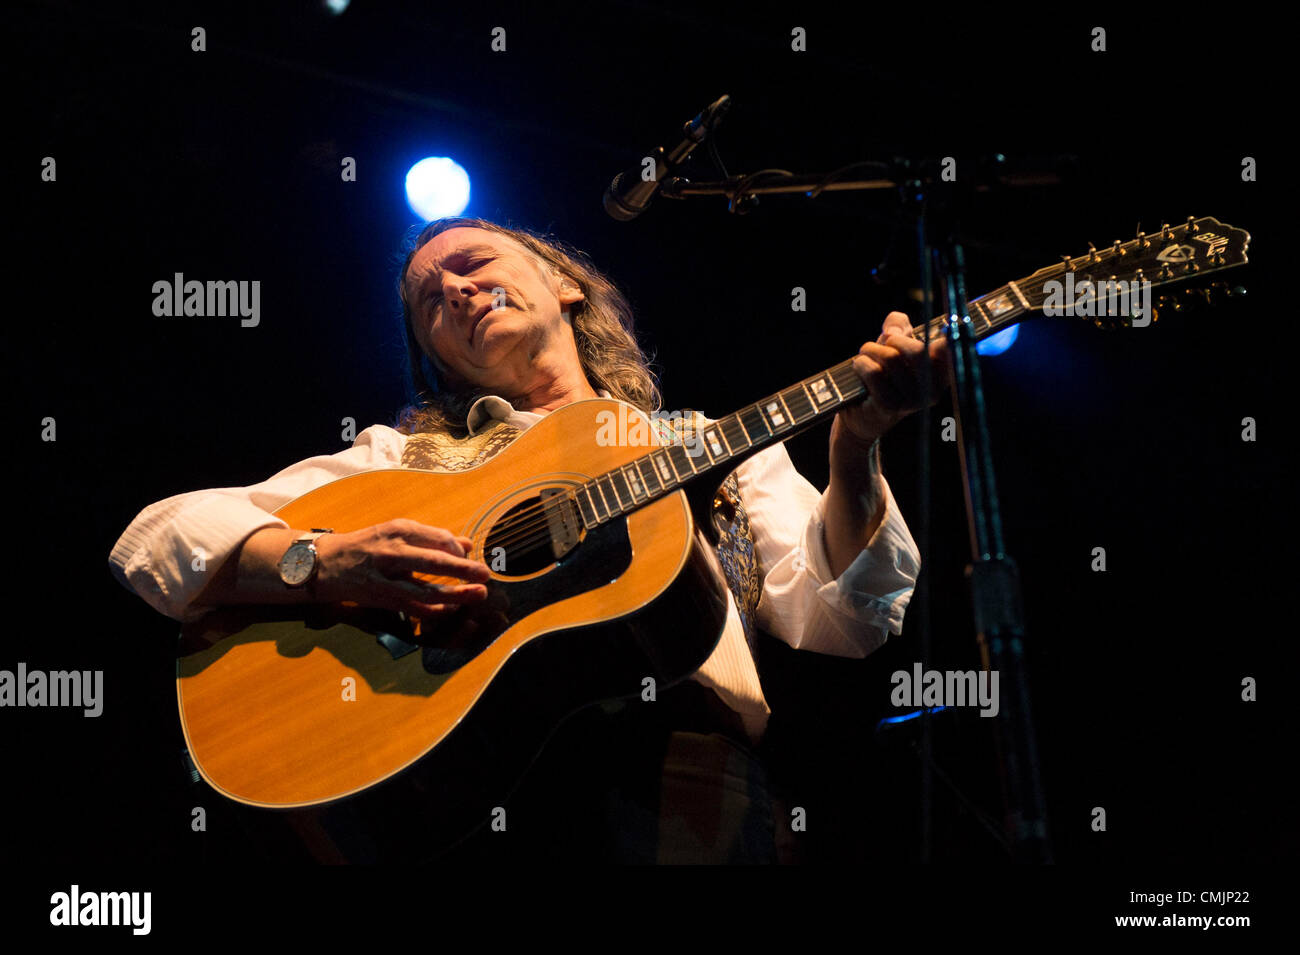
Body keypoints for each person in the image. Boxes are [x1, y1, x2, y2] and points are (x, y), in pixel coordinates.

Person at [109, 216, 949, 864]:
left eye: (473, 266)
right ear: (436, 357)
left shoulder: (705, 444)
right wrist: (322, 560)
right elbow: (160, 537)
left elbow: (845, 618)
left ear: (563, 284)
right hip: (469, 794)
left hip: (691, 787)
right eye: (430, 302)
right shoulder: (403, 459)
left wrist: (856, 444)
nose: (456, 293)